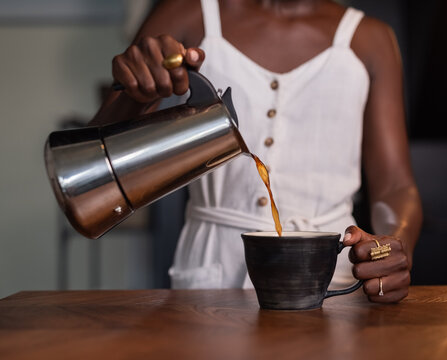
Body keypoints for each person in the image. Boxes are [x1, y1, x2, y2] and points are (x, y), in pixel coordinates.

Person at [90, 0, 423, 303]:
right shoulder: (185, 14)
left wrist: (390, 247)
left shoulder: (371, 39)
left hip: (331, 272)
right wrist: (135, 93)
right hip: (212, 270)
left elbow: (396, 186)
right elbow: (96, 167)